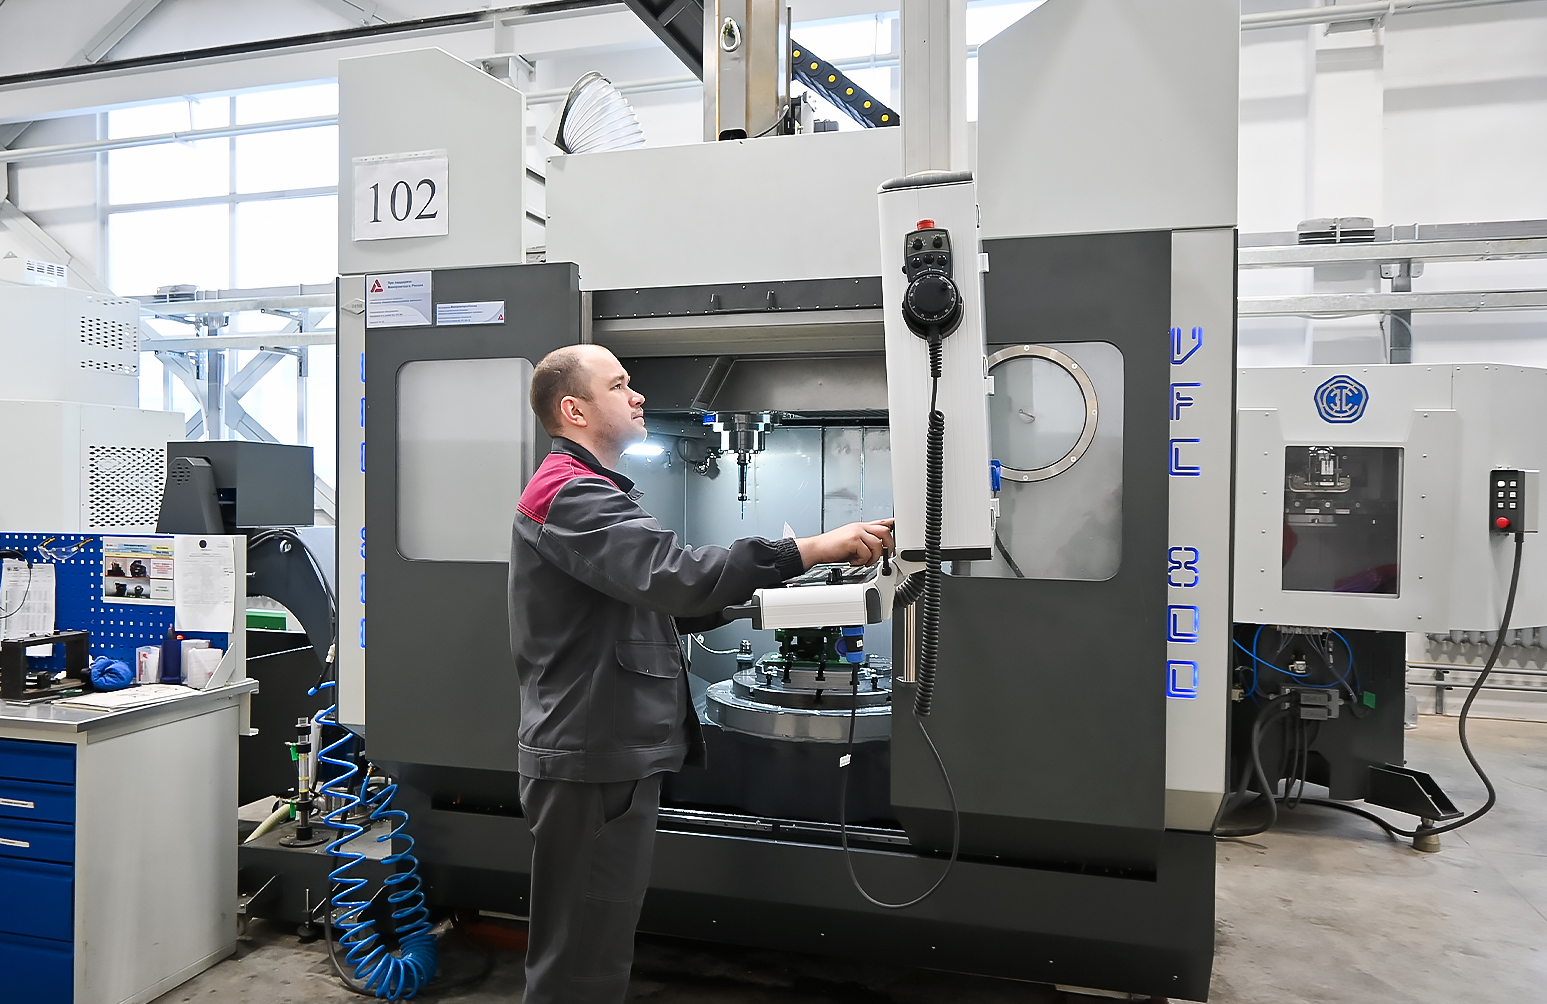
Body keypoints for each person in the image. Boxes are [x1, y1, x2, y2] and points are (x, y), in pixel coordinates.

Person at [509, 344, 893, 1004]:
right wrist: (807, 549)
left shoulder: (592, 492)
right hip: (590, 754)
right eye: (619, 385)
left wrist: (775, 593)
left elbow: (658, 604)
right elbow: (676, 577)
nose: (637, 396)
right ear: (573, 409)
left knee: (594, 943)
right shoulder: (569, 494)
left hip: (604, 750)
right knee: (581, 957)